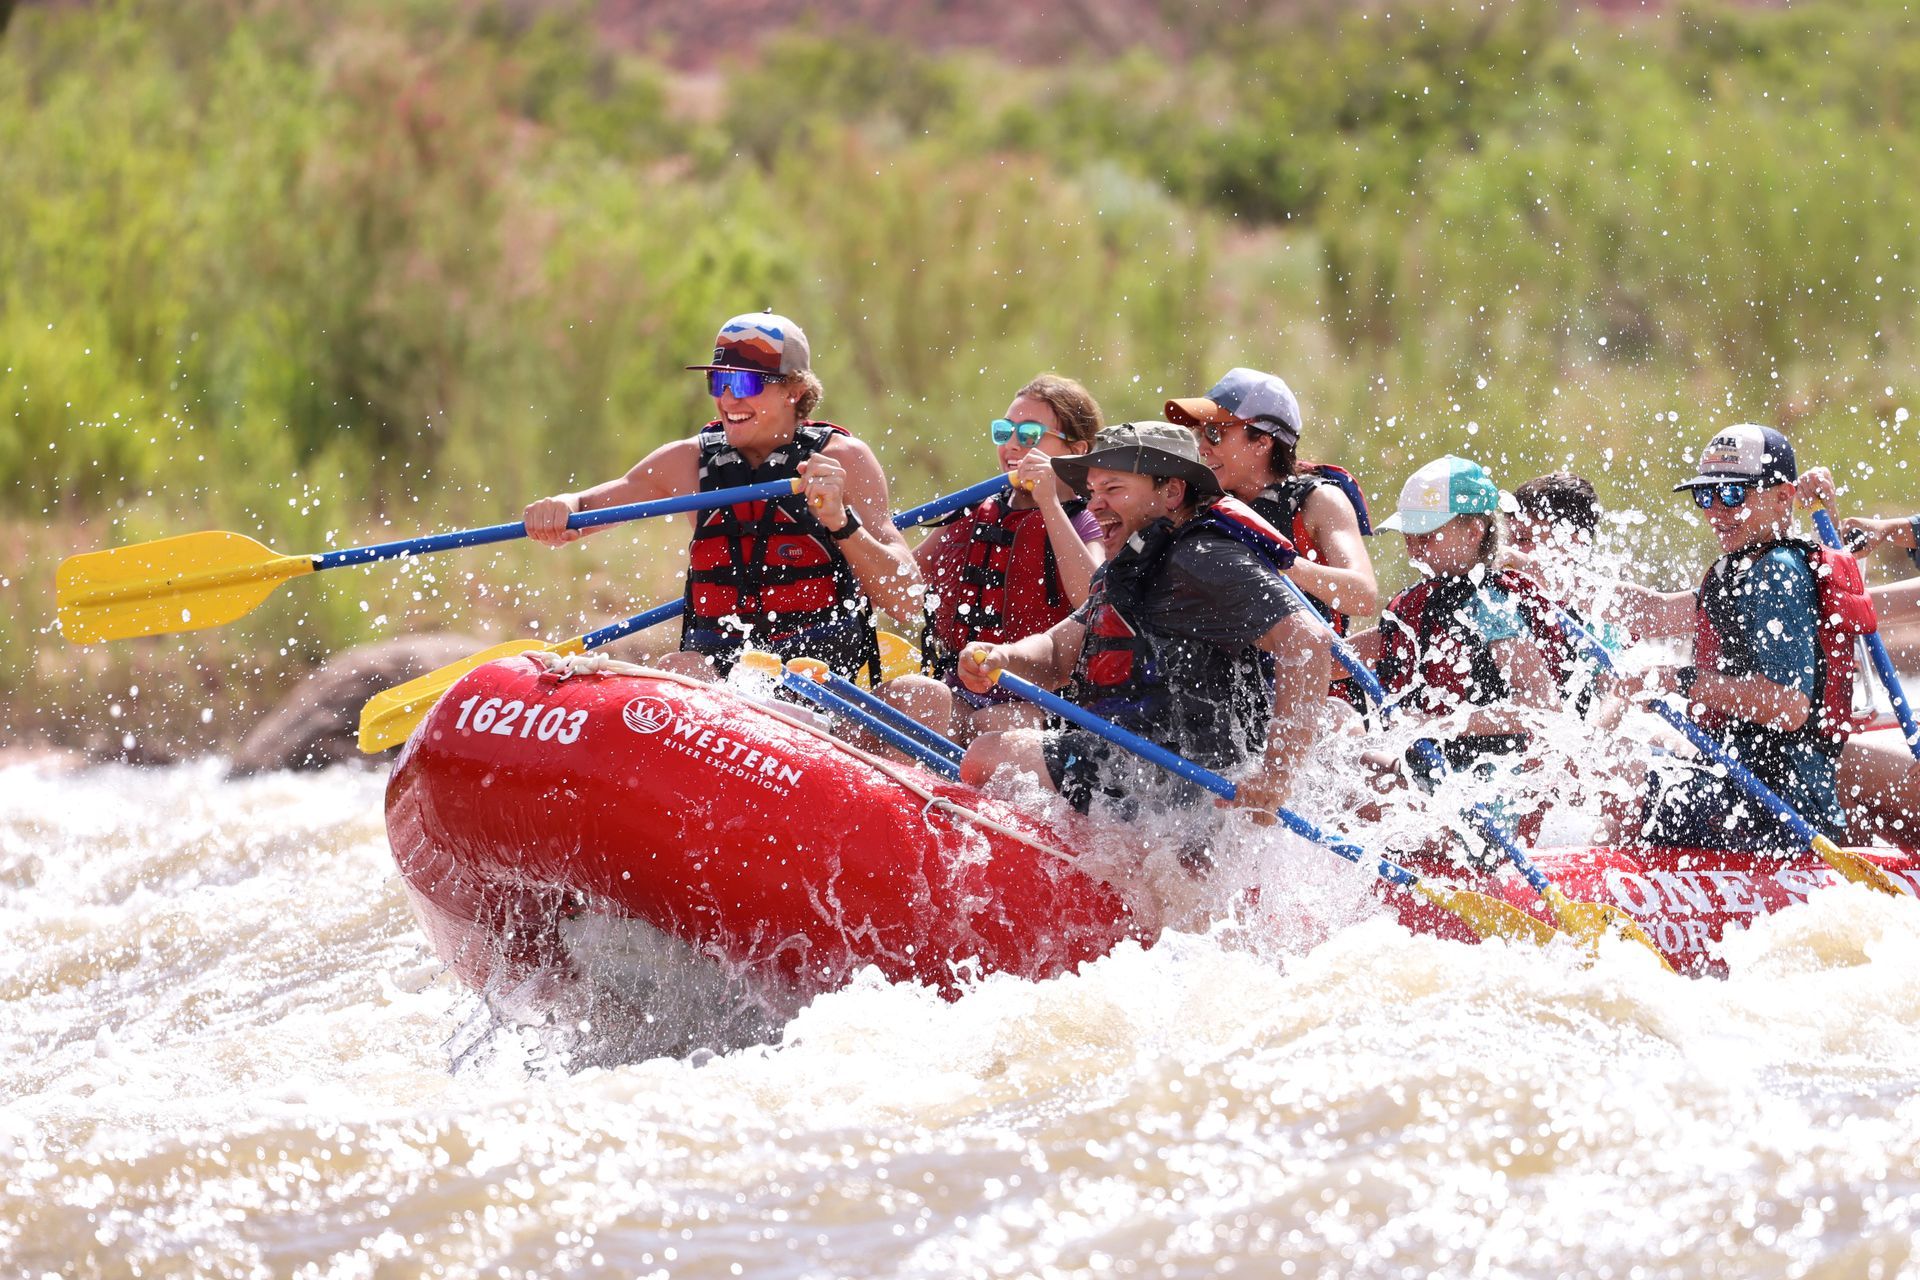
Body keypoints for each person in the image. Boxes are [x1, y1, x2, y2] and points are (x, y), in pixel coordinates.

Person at [522, 312, 935, 715]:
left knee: (923, 695)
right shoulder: (686, 462)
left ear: (793, 390)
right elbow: (587, 509)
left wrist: (841, 524)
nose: (728, 398)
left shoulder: (845, 461)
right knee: (681, 668)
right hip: (724, 696)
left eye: (745, 382)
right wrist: (563, 507)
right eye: (718, 381)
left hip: (824, 689)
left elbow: (908, 601)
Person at [955, 422, 1331, 822]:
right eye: (1093, 491)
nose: (1095, 504)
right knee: (996, 750)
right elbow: (1056, 658)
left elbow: (1309, 642)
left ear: (1171, 492)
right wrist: (1001, 657)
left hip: (1191, 783)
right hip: (1130, 767)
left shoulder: (1204, 555)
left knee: (991, 755)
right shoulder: (1132, 563)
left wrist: (1276, 773)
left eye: (1113, 489)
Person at [1603, 426, 1875, 851]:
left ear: (1783, 498)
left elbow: (1788, 707)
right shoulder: (1742, 569)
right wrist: (1547, 582)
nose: (1716, 511)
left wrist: (1675, 680)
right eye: (1706, 496)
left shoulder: (1777, 573)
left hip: (1778, 804)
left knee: (1624, 783)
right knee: (1624, 761)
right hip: (1747, 780)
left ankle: (1608, 902)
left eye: (1733, 495)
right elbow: (1654, 611)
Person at [1347, 455, 1588, 778]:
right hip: (1438, 764)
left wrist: (1442, 725)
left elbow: (1540, 704)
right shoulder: (1416, 605)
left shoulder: (1492, 606)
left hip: (1497, 774)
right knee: (1357, 754)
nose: (1414, 551)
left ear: (1474, 531)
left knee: (1384, 772)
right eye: (1408, 538)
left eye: (1425, 536)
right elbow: (1351, 656)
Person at [910, 374, 1106, 740]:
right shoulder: (974, 511)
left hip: (1045, 701)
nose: (1011, 445)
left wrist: (1048, 500)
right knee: (921, 700)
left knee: (989, 727)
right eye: (1004, 432)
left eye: (1029, 435)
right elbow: (903, 581)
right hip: (964, 686)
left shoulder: (1088, 519)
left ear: (1076, 451)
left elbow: (1094, 603)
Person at [1166, 368, 1378, 632]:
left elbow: (1364, 596)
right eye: (1200, 434)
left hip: (1308, 666)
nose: (1202, 447)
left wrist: (1283, 560)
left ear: (1262, 443)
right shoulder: (1202, 505)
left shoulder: (1318, 501)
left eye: (1215, 433)